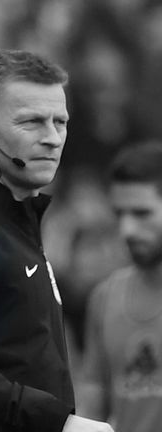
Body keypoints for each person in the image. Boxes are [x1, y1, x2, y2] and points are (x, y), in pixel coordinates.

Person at [0, 49, 113, 431]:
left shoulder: (21, 217)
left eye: (60, 122)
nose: (53, 138)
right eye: (32, 122)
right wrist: (61, 423)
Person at [80, 142, 162, 432]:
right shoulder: (105, 298)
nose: (127, 230)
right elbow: (93, 395)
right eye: (120, 214)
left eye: (142, 214)